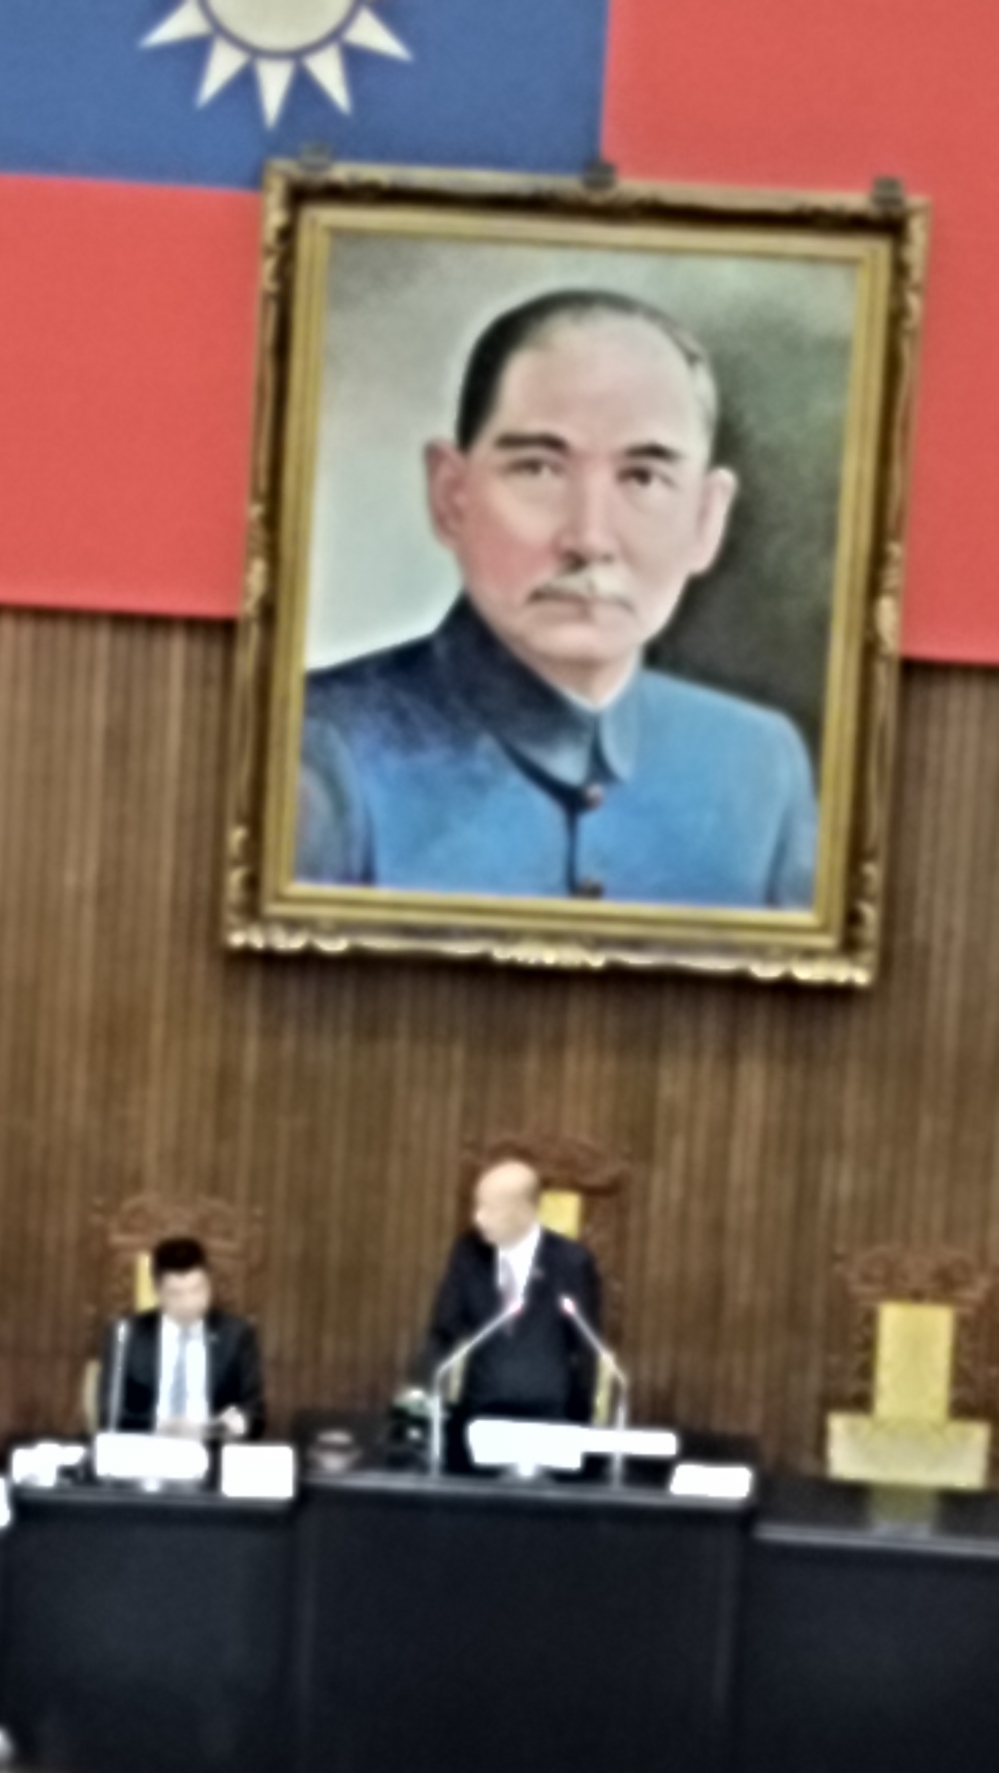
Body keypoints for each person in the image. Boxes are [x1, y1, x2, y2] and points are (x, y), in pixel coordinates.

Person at [297, 289, 817, 909]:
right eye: (539, 469)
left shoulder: (760, 763)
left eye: (643, 477)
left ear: (707, 519)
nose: (589, 539)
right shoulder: (319, 749)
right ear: (451, 496)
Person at [422, 1156, 602, 1427]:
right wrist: (425, 1397)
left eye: (491, 1209)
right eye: (477, 1206)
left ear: (526, 1211)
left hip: (550, 1419)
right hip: (478, 1415)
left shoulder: (571, 1262)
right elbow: (443, 1334)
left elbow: (585, 1350)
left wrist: (579, 1426)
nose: (478, 1218)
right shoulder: (468, 1254)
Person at [98, 1236, 265, 1440]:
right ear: (157, 1292)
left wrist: (232, 1426)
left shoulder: (236, 1335)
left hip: (211, 1449)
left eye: (197, 1290)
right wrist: (161, 1428)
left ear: (210, 1283)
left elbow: (255, 1414)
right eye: (176, 1294)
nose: (189, 1303)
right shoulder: (126, 1335)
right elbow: (109, 1413)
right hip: (146, 1448)